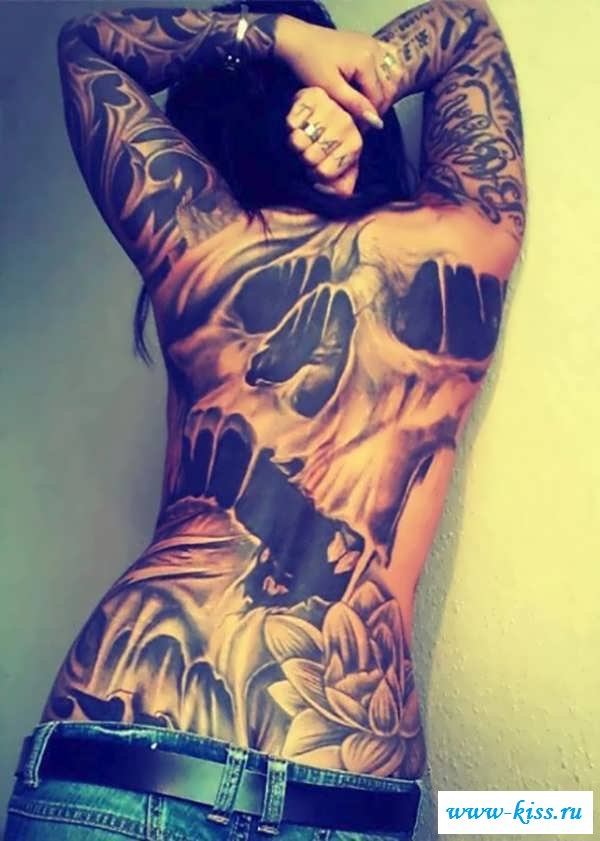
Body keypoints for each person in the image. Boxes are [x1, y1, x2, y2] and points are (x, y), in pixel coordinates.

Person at [4, 0, 526, 838]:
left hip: (128, 753)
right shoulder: (463, 243)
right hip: (345, 789)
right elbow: (468, 29)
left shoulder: (200, 247)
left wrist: (283, 41)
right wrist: (367, 78)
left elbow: (89, 47)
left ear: (210, 135)